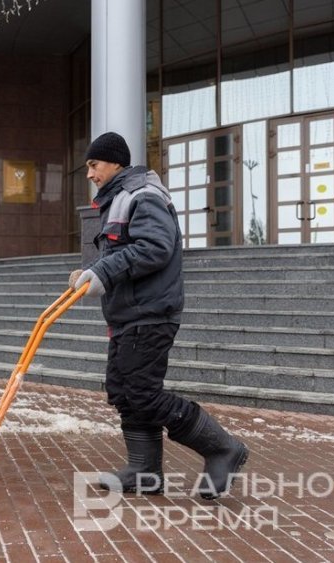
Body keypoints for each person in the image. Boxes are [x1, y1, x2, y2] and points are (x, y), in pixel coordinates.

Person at [69, 131, 248, 499]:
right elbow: (124, 252)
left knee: (144, 393)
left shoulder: (143, 195)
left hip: (150, 314)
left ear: (116, 161)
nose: (90, 173)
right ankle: (144, 470)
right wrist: (92, 270)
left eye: (94, 164)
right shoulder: (119, 199)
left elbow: (155, 248)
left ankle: (222, 448)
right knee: (124, 392)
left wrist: (103, 271)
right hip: (127, 316)